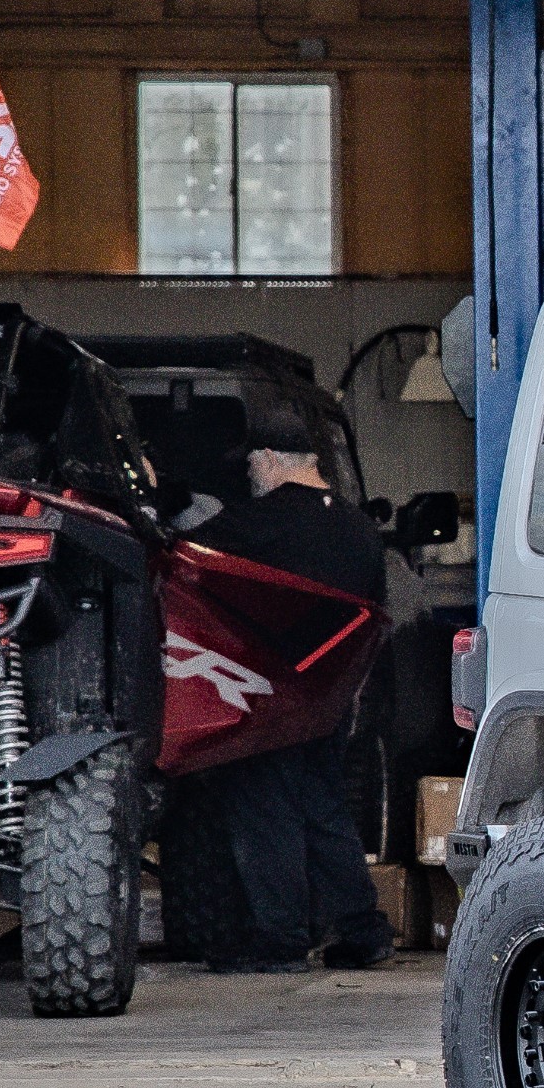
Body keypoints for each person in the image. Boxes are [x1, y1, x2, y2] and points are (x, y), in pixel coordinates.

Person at [190, 402, 397, 973]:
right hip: (335, 694)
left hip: (271, 692)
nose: (251, 474)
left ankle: (280, 939)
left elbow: (179, 557)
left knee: (261, 802)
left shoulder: (265, 520)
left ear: (273, 460)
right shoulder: (360, 529)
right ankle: (362, 928)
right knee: (322, 803)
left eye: (253, 462)